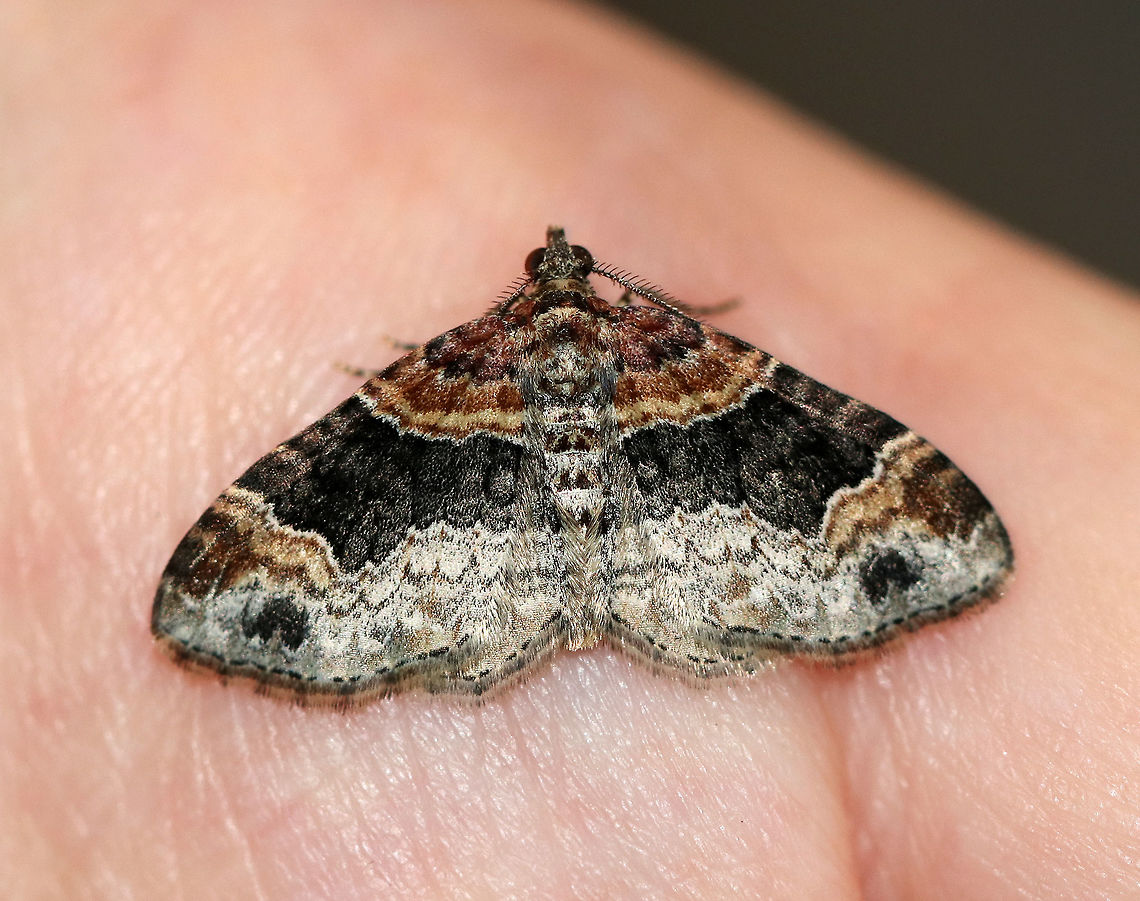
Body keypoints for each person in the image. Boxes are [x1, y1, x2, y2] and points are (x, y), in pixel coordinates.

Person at [3, 3, 1137, 897]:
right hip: (672, 561)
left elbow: (920, 533)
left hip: (496, 565)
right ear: (581, 284)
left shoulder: (458, 366)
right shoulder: (676, 351)